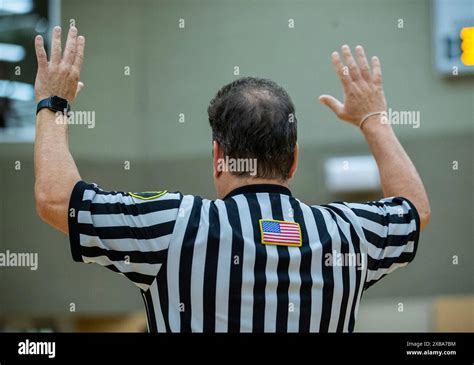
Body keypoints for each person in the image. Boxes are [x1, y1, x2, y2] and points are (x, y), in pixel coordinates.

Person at [34, 26, 430, 332]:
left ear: (218, 158)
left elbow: (55, 199)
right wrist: (373, 118)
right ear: (293, 160)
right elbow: (414, 210)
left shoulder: (173, 226)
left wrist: (54, 103)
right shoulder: (349, 234)